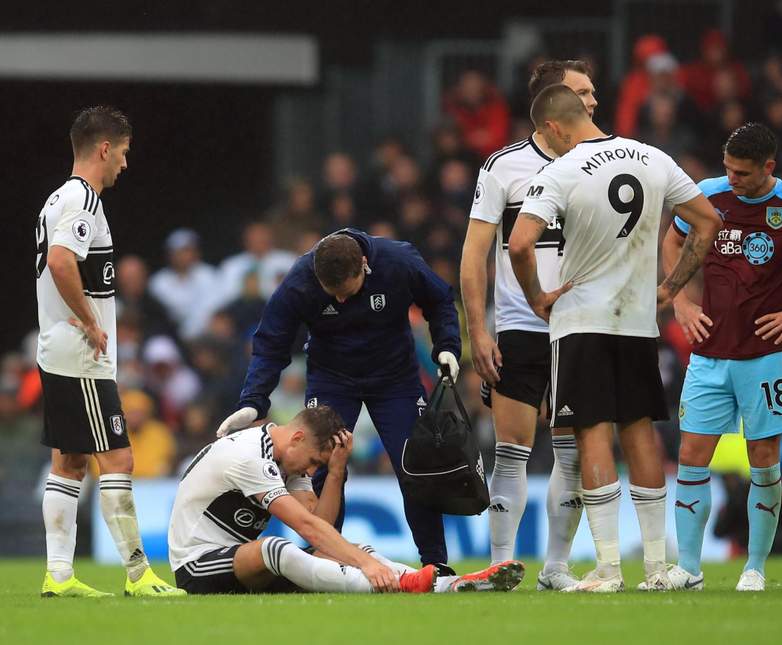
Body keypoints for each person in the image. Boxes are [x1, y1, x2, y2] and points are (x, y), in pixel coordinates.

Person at [509, 85, 721, 592]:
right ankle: (657, 569)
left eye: (546, 135)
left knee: (592, 433)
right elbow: (708, 221)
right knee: (639, 432)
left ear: (555, 127)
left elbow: (519, 243)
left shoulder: (559, 171)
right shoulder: (654, 157)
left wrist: (538, 296)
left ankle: (607, 568)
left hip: (582, 321)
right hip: (637, 322)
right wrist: (670, 286)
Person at [660, 123, 782, 592]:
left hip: (765, 356)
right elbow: (672, 239)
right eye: (728, 169)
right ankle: (689, 569)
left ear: (768, 168)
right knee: (692, 457)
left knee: (764, 460)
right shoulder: (708, 194)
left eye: (742, 172)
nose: (732, 178)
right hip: (710, 352)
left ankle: (755, 567)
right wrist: (680, 301)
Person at [216, 228, 461, 568]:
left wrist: (447, 346)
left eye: (348, 292)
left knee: (414, 468)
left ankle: (436, 564)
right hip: (332, 380)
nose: (342, 302)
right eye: (334, 295)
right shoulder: (301, 279)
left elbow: (439, 299)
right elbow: (271, 341)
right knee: (323, 469)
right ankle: (327, 563)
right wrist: (253, 400)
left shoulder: (398, 261)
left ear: (364, 265)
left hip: (395, 380)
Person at [33, 106, 183, 597]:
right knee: (116, 458)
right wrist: (93, 322)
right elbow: (60, 262)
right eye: (122, 152)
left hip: (56, 348)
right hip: (80, 355)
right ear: (103, 148)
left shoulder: (54, 199)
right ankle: (139, 575)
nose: (124, 163)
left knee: (70, 461)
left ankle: (58, 576)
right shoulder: (82, 199)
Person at [460, 59, 598, 591]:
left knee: (570, 450)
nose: (593, 102)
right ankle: (500, 563)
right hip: (519, 327)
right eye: (583, 93)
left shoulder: (603, 163)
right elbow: (474, 254)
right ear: (552, 104)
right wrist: (478, 329)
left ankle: (556, 568)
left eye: (593, 92)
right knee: (511, 451)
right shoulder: (505, 166)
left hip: (581, 326)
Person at [170, 406, 524, 594]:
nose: (311, 471)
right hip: (197, 566)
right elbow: (307, 527)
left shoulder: (289, 460)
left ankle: (445, 584)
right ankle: (398, 584)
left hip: (240, 567)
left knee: (354, 548)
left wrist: (336, 472)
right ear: (295, 438)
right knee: (273, 548)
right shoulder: (248, 456)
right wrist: (369, 569)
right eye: (313, 462)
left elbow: (321, 527)